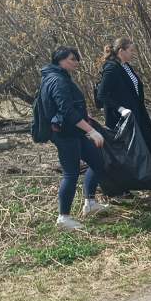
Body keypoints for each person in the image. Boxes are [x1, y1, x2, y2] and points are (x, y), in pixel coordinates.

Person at [39, 47, 110, 230]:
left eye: (77, 59)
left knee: (97, 161)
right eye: (72, 59)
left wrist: (87, 122)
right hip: (65, 134)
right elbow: (67, 111)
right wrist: (91, 131)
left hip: (75, 131)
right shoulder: (57, 80)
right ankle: (63, 218)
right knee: (71, 173)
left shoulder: (61, 77)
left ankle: (90, 203)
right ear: (60, 60)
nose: (76, 62)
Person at [95, 37, 151, 169]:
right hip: (121, 116)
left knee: (147, 139)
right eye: (130, 50)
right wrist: (120, 109)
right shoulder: (111, 68)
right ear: (121, 51)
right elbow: (102, 95)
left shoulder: (125, 66)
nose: (133, 53)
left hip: (136, 110)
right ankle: (132, 176)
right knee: (128, 147)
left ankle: (150, 170)